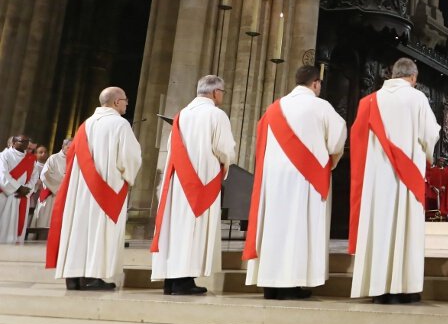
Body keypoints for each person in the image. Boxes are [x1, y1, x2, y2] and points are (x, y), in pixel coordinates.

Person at [244, 66, 346, 300]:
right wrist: (329, 161)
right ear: (316, 84)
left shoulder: (273, 109)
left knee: (275, 228)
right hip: (305, 180)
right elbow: (338, 140)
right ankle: (292, 283)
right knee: (298, 228)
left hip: (274, 180)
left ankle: (270, 283)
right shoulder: (320, 107)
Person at [348, 58, 440, 303]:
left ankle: (378, 288)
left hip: (377, 179)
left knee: (379, 228)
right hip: (407, 179)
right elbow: (430, 134)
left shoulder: (370, 100)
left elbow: (357, 138)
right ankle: (404, 288)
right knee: (406, 229)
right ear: (412, 77)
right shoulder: (417, 98)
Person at [46, 87, 142, 290]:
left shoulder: (85, 125)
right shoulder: (120, 124)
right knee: (100, 230)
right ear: (116, 102)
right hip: (106, 188)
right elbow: (131, 158)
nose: (127, 103)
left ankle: (74, 276)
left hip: (80, 190)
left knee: (79, 230)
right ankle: (93, 277)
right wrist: (128, 178)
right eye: (125, 100)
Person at [150, 75, 237, 296]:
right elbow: (224, 148)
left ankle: (171, 280)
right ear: (216, 92)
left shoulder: (181, 116)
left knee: (176, 227)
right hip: (201, 181)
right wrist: (226, 163)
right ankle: (183, 281)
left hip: (178, 180)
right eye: (223, 92)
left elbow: (171, 146)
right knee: (191, 228)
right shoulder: (216, 115)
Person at [0, 134, 35, 243]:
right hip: (6, 195)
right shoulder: (4, 155)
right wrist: (18, 188)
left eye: (27, 141)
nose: (25, 143)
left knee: (18, 222)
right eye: (22, 141)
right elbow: (2, 174)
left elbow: (34, 176)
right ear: (14, 142)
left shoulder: (31, 158)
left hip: (22, 196)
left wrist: (27, 189)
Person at [31, 139, 71, 230]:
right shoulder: (54, 158)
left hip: (67, 195)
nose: (71, 149)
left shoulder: (75, 159)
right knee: (45, 220)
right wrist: (62, 186)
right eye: (68, 147)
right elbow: (45, 175)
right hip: (52, 194)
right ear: (63, 146)